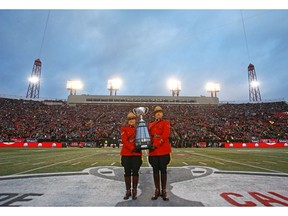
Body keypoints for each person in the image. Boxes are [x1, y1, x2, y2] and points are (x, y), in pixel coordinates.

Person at [148, 106, 172, 201]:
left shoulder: (166, 123)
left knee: (163, 170)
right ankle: (157, 190)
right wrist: (147, 144)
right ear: (154, 115)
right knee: (155, 170)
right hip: (153, 151)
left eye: (160, 112)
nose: (158, 113)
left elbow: (165, 135)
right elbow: (149, 136)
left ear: (162, 114)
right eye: (156, 112)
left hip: (163, 149)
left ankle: (164, 190)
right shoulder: (151, 125)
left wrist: (156, 144)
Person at [120, 111, 142, 200]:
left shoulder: (139, 129)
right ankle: (128, 190)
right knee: (127, 172)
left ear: (135, 120)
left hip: (136, 154)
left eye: (133, 119)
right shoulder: (123, 129)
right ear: (128, 121)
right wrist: (133, 148)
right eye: (130, 119)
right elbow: (125, 141)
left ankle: (134, 190)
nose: (131, 121)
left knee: (135, 172)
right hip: (127, 153)